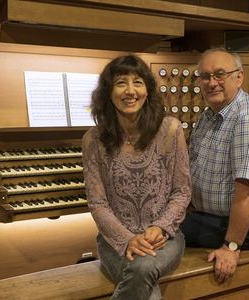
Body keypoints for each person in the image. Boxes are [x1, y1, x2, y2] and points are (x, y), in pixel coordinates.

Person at [82, 54, 191, 299]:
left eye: (138, 82)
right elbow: (98, 203)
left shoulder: (171, 130)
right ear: (108, 93)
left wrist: (160, 227)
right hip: (115, 241)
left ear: (148, 91)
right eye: (121, 83)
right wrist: (128, 239)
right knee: (143, 272)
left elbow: (182, 191)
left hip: (165, 238)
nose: (130, 91)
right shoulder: (93, 139)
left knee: (143, 266)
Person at [180, 48, 249, 283]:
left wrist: (231, 247)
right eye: (205, 76)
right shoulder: (210, 115)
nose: (212, 83)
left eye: (220, 74)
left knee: (165, 234)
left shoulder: (248, 120)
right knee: (158, 226)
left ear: (239, 77)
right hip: (213, 216)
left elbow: (248, 194)